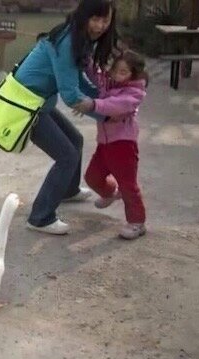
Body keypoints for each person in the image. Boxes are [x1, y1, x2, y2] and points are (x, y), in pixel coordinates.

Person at [14, 0, 118, 235]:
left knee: (75, 141)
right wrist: (106, 115)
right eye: (95, 19)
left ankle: (68, 190)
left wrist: (106, 100)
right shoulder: (68, 41)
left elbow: (78, 80)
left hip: (41, 101)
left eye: (106, 20)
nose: (100, 26)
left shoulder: (79, 38)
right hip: (25, 104)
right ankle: (40, 218)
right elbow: (71, 96)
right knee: (67, 156)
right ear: (83, 16)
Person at [83, 49, 148, 239]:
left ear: (133, 75)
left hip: (123, 145)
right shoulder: (109, 83)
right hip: (104, 144)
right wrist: (86, 60)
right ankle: (110, 193)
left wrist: (93, 105)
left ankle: (137, 222)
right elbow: (95, 75)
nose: (117, 75)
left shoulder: (135, 93)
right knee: (92, 177)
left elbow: (116, 105)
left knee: (128, 186)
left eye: (123, 72)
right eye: (115, 70)